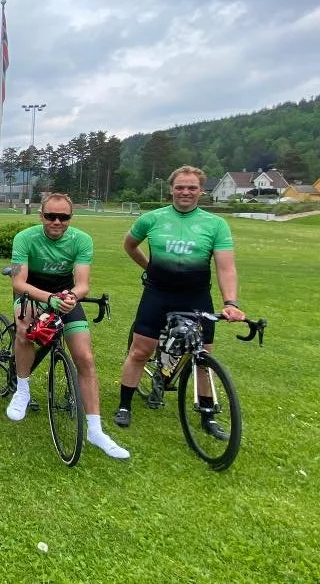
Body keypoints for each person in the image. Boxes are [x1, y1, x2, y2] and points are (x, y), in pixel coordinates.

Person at [115, 165, 245, 437]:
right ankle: (125, 404)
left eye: (192, 187)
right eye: (180, 187)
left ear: (201, 191)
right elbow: (129, 244)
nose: (185, 192)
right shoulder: (152, 219)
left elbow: (225, 267)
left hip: (195, 296)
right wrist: (148, 266)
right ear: (171, 189)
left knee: (202, 356)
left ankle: (208, 416)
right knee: (140, 351)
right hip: (158, 293)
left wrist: (230, 302)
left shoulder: (215, 224)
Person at [6, 193, 129, 459]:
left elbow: (83, 283)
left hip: (65, 295)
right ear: (41, 216)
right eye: (50, 216)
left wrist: (72, 296)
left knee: (85, 358)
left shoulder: (82, 240)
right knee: (25, 329)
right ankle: (22, 390)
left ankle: (95, 430)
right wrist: (49, 298)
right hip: (32, 292)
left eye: (63, 217)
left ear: (71, 218)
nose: (57, 222)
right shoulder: (24, 238)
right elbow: (18, 283)